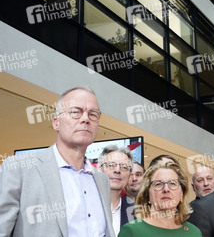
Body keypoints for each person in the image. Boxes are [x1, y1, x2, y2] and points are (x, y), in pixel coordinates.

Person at [0, 86, 115, 236]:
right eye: (75, 112)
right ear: (56, 123)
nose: (85, 119)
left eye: (93, 114)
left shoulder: (102, 180)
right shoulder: (19, 168)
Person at [118, 162, 201, 236]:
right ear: (147, 194)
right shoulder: (131, 231)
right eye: (158, 184)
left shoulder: (194, 232)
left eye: (172, 183)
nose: (166, 189)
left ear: (181, 194)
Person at [99, 145, 135, 236]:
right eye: (111, 165)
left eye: (124, 167)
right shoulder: (84, 206)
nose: (117, 170)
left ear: (129, 175)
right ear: (100, 170)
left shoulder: (136, 214)